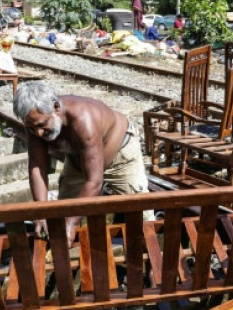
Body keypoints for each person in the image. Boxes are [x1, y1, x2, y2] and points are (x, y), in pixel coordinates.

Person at [13, 83, 149, 242]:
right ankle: (69, 256)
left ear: (57, 108)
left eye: (42, 125)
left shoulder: (83, 120)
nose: (38, 133)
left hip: (121, 156)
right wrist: (40, 212)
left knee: (141, 211)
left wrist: (71, 222)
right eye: (31, 128)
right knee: (64, 210)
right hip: (79, 157)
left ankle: (155, 257)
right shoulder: (35, 121)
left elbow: (94, 181)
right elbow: (37, 167)